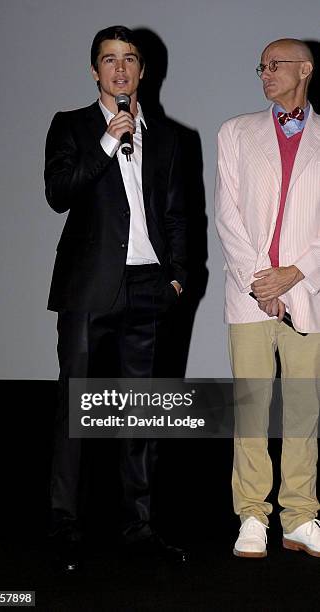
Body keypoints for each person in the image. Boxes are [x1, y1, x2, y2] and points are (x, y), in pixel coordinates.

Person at [44, 25, 187, 570]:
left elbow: (176, 214)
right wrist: (108, 140)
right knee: (76, 408)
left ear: (143, 70)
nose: (120, 69)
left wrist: (175, 276)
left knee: (141, 413)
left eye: (130, 59)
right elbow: (59, 194)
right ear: (95, 70)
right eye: (109, 60)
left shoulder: (170, 137)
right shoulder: (71, 126)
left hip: (150, 288)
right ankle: (65, 525)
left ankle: (139, 528)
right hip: (89, 290)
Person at [215, 38, 320, 558]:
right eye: (261, 66)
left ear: (305, 69)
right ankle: (252, 515)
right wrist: (262, 282)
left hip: (311, 292)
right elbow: (227, 215)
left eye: (276, 65)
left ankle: (300, 515)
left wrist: (296, 273)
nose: (265, 73)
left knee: (304, 408)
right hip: (249, 294)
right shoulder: (235, 132)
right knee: (252, 407)